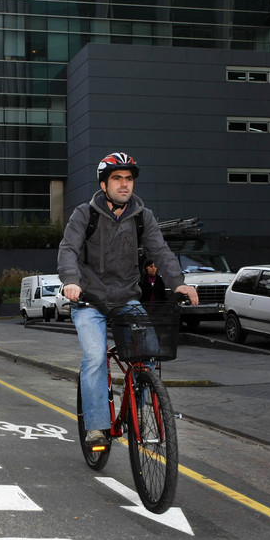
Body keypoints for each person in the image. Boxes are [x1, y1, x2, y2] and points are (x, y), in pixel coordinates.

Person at [58, 152, 198, 447]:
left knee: (149, 353)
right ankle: (96, 427)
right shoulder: (85, 214)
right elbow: (68, 249)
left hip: (125, 299)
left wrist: (179, 284)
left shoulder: (142, 217)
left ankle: (136, 402)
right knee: (95, 358)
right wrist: (71, 280)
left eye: (129, 179)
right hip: (89, 300)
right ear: (104, 184)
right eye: (117, 178)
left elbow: (160, 251)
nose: (124, 184)